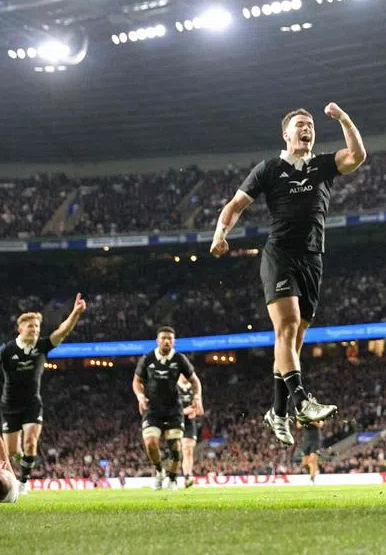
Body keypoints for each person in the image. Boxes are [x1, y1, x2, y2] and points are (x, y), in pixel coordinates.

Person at [210, 104, 366, 445]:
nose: (307, 128)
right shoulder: (269, 169)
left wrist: (343, 118)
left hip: (313, 259)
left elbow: (357, 155)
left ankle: (277, 411)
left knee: (292, 341)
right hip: (279, 254)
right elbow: (235, 206)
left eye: (310, 124)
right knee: (288, 326)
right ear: (286, 134)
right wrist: (220, 235)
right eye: (300, 124)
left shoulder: (323, 165)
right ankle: (301, 400)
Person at [0, 293, 86, 491]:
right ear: (20, 329)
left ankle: (24, 482)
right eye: (31, 326)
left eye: (37, 327)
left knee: (30, 440)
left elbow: (62, 331)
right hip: (10, 405)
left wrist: (76, 312)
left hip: (32, 404)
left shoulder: (41, 347)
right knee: (12, 451)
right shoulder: (7, 350)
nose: (35, 330)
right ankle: (24, 463)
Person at [133, 327, 203, 491]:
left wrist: (198, 397)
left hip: (173, 411)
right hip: (153, 410)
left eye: (170, 339)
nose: (167, 341)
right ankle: (159, 471)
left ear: (174, 341)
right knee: (150, 442)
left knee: (176, 448)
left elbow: (195, 381)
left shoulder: (179, 359)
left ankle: (172, 478)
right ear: (157, 340)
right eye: (164, 338)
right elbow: (136, 381)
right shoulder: (148, 358)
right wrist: (140, 396)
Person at [177, 374, 199, 487]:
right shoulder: (174, 387)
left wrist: (195, 410)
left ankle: (188, 476)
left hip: (189, 424)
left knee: (189, 450)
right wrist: (185, 411)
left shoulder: (194, 387)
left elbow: (198, 407)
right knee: (180, 451)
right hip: (177, 422)